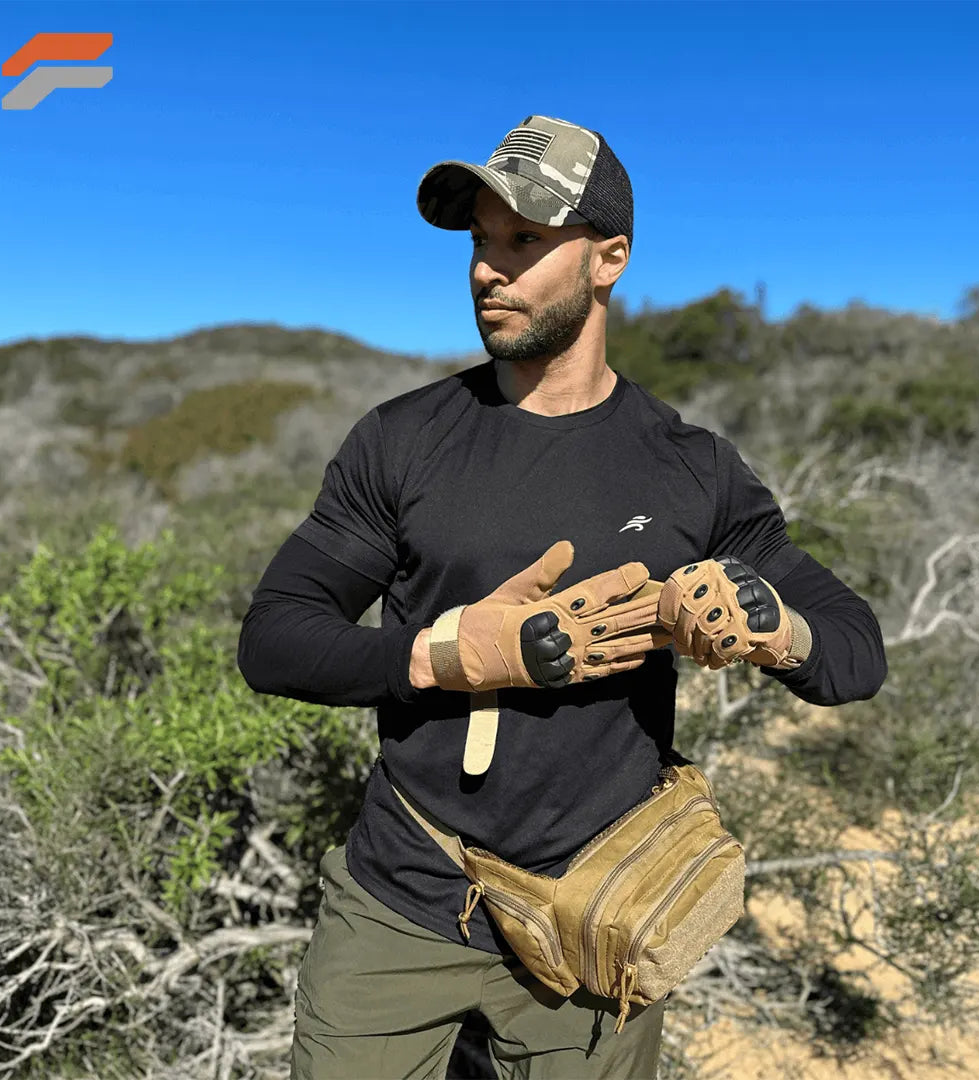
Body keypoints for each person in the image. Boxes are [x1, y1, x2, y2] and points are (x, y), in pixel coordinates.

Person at [236, 114, 888, 1080]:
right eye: (480, 242)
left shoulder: (691, 470)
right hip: (401, 906)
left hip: (597, 922)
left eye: (525, 242)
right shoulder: (403, 439)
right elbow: (275, 640)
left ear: (608, 258)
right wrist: (457, 653)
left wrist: (764, 622)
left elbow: (853, 653)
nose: (488, 271)